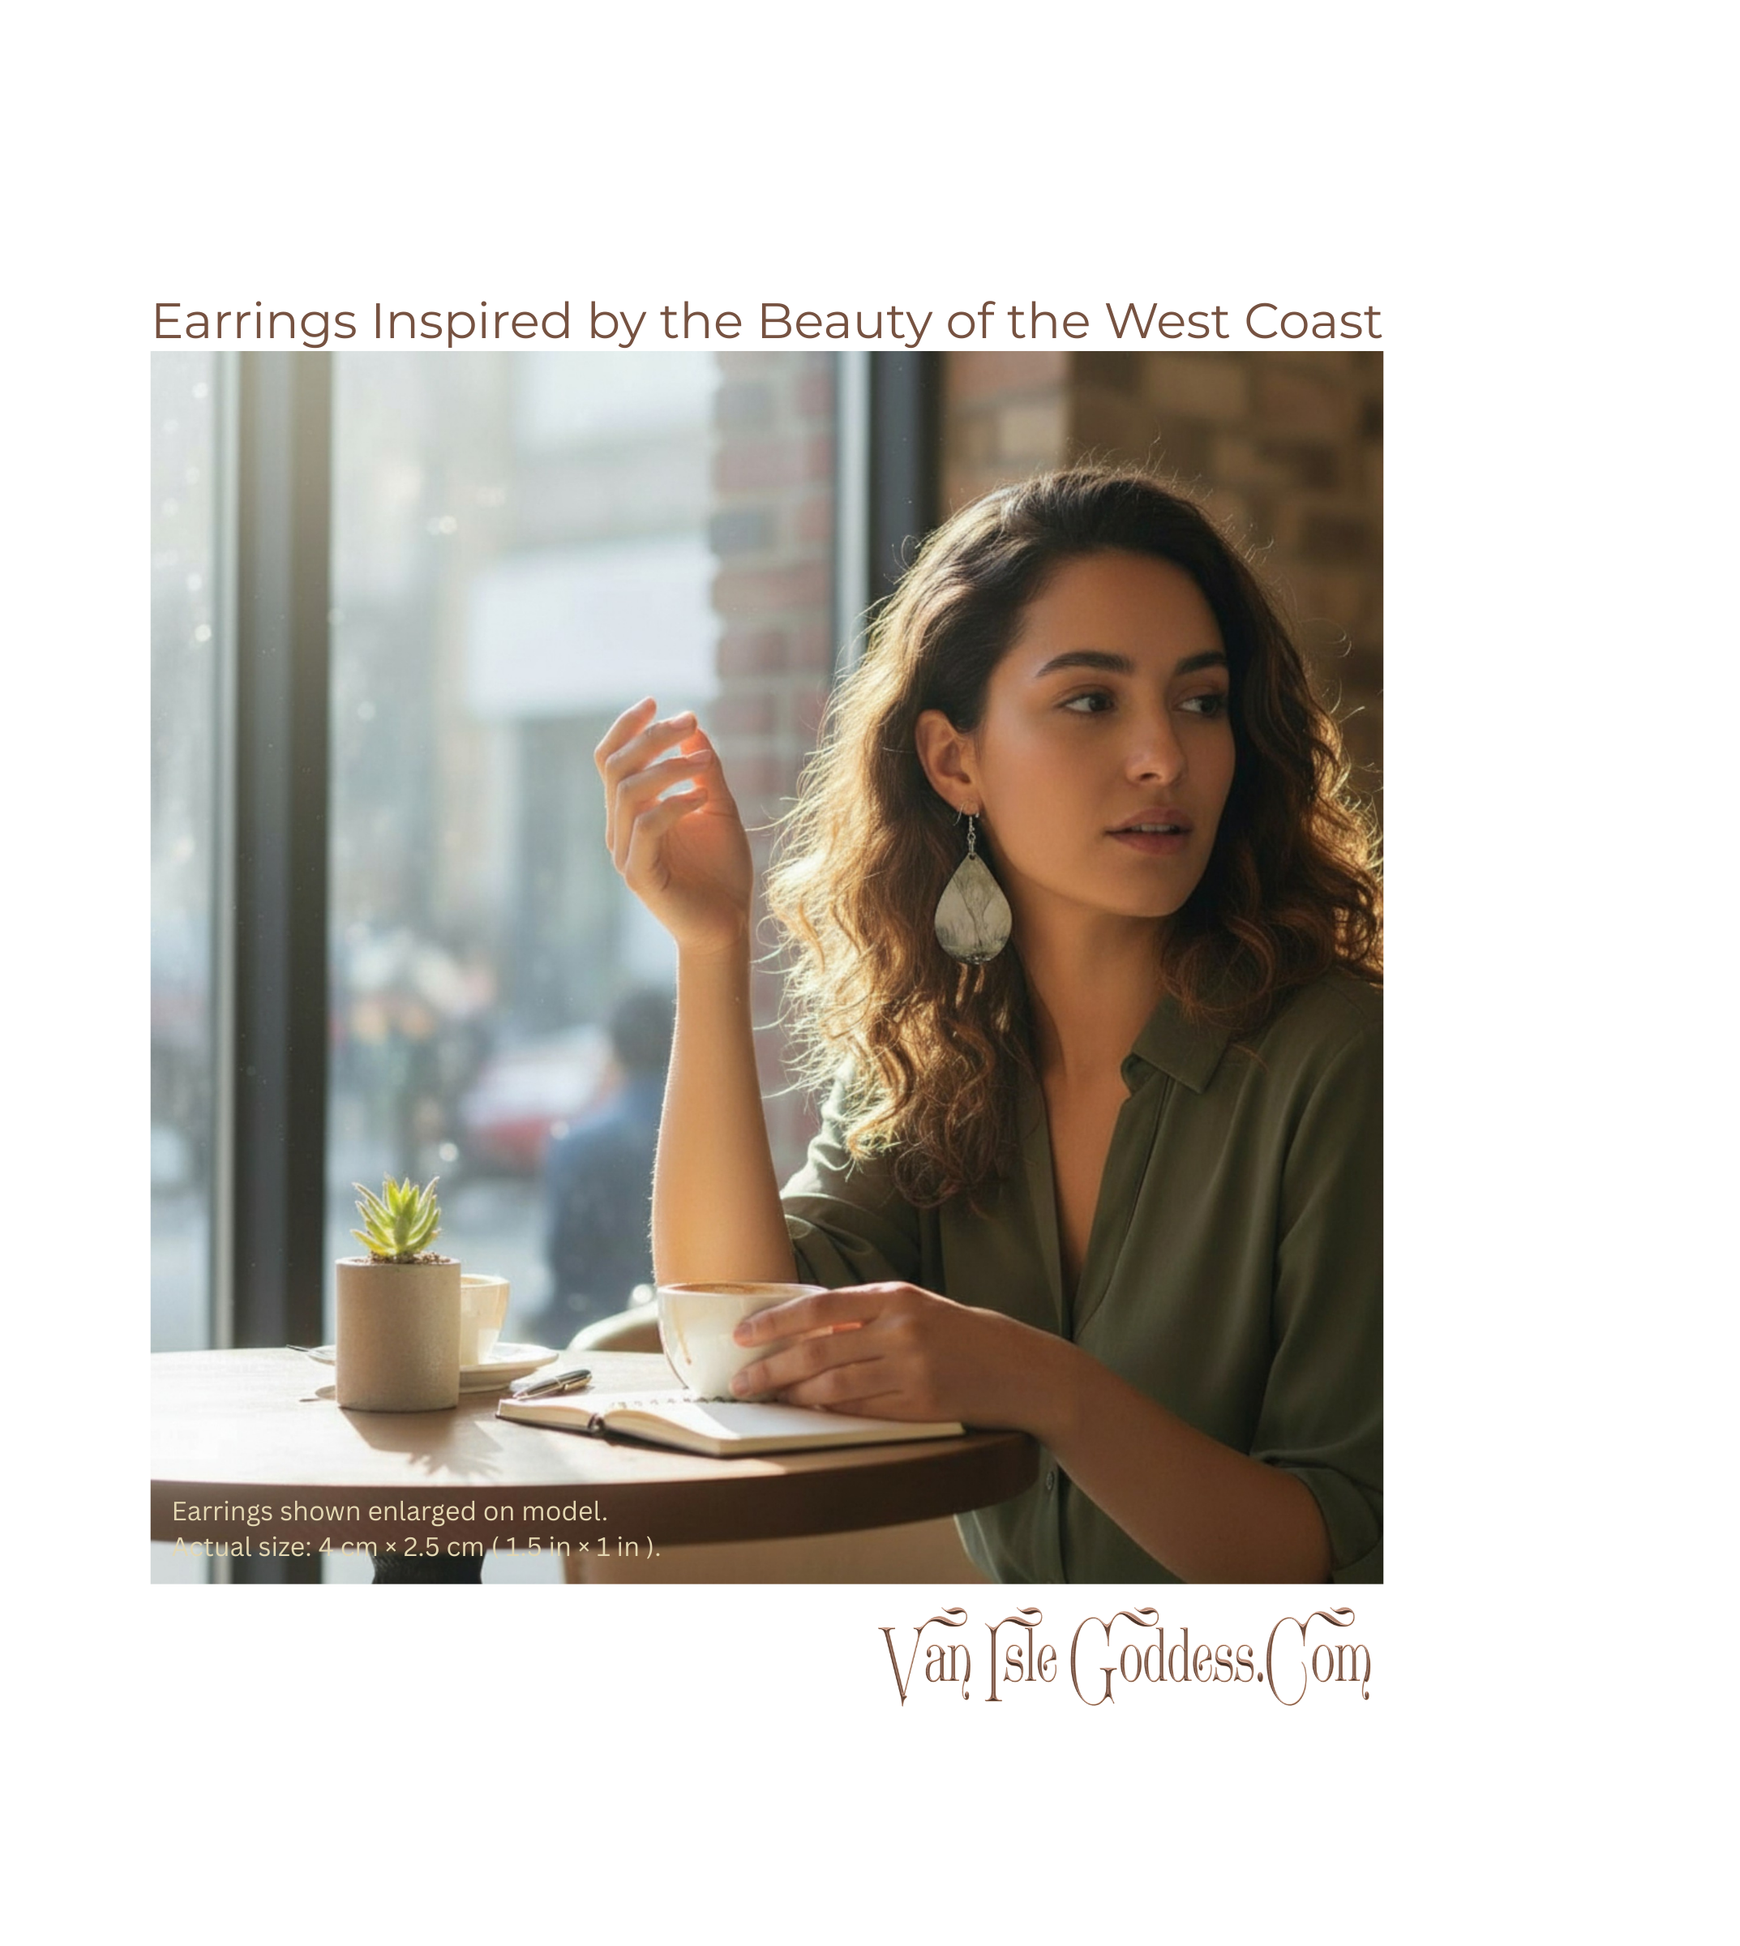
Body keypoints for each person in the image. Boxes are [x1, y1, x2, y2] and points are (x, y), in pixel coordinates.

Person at [595, 464, 1381, 1583]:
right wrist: (710, 944)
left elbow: (1328, 1549)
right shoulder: (939, 1064)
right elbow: (733, 1336)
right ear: (952, 759)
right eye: (1089, 700)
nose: (1162, 752)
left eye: (1198, 700)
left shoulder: (1344, 1063)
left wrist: (1038, 1384)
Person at [538, 986, 675, 1345]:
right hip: (693, 1340)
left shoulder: (576, 1145)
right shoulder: (716, 1140)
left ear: (614, 1052)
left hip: (596, 1341)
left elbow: (565, 1266)